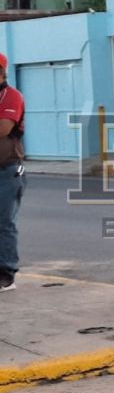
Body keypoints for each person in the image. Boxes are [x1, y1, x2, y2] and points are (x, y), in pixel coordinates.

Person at [0, 52, 25, 293]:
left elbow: (3, 128)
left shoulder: (11, 96)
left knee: (4, 222)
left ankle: (6, 273)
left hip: (7, 170)